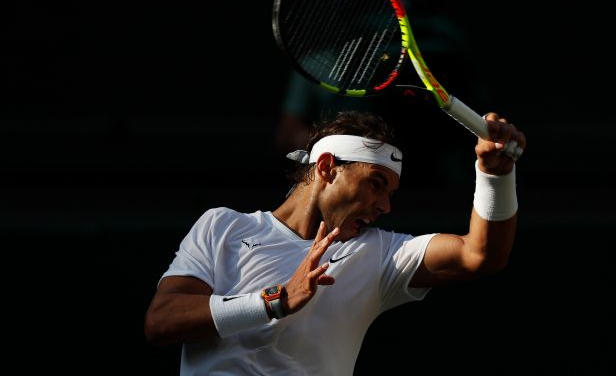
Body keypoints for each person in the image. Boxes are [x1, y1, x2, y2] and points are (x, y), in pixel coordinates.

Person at [144, 110, 526, 375]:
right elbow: (161, 321)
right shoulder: (222, 226)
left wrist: (496, 175)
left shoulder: (379, 254)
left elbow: (481, 255)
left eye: (391, 192)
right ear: (327, 168)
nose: (385, 206)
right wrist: (275, 301)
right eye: (376, 184)